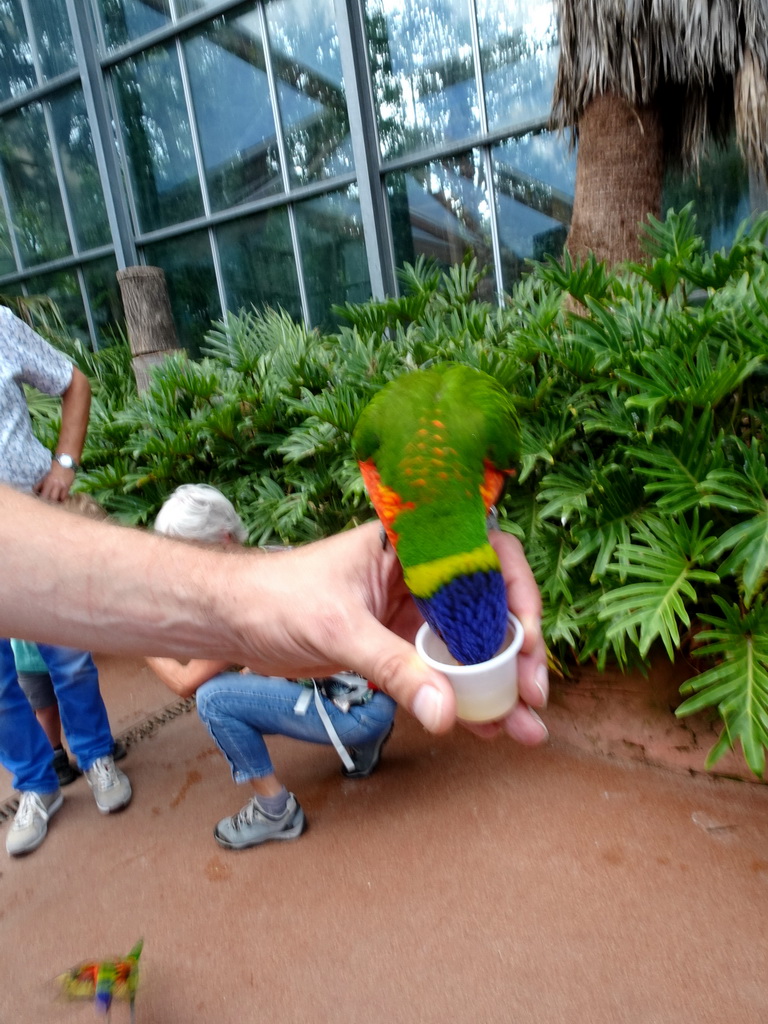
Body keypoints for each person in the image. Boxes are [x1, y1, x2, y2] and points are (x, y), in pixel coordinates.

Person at [145, 484, 398, 850]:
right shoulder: (278, 556)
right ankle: (368, 738)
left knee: (213, 697)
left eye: (189, 553)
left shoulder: (238, 601)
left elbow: (184, 681)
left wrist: (138, 642)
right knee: (247, 678)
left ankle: (275, 811)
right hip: (378, 693)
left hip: (359, 712)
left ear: (226, 538)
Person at [0, 306, 132, 857]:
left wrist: (65, 464)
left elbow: (73, 381)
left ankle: (95, 754)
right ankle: (37, 784)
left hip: (32, 516)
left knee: (69, 654)